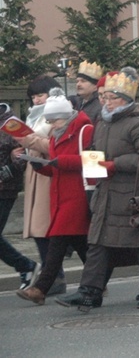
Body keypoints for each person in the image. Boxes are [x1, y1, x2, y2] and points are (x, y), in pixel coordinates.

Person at [56, 70, 139, 310]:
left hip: (133, 194)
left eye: (111, 97)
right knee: (98, 244)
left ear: (124, 100)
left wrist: (114, 165)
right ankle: (89, 292)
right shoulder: (103, 123)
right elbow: (98, 151)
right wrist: (93, 164)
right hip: (106, 192)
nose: (105, 101)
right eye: (104, 97)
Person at [15, 89, 93, 305]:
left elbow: (93, 162)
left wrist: (61, 163)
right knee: (81, 243)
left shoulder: (85, 130)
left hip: (77, 195)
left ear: (67, 116)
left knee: (58, 240)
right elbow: (55, 166)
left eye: (55, 120)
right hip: (61, 196)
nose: (52, 125)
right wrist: (39, 166)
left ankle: (40, 288)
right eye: (49, 120)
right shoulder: (58, 133)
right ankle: (97, 281)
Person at [12, 75, 67, 295]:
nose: (36, 100)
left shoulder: (59, 115)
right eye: (33, 96)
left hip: (49, 173)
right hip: (35, 173)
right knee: (39, 229)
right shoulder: (34, 117)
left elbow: (55, 146)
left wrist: (28, 142)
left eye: (40, 95)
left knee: (46, 228)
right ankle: (53, 276)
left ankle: (55, 277)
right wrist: (20, 151)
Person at [0, 103, 41, 291]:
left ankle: (26, 266)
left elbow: (21, 158)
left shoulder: (11, 124)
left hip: (4, 189)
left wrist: (3, 173)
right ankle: (25, 266)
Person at [70, 61, 104, 125]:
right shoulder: (76, 103)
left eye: (83, 81)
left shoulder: (100, 105)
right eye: (77, 81)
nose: (78, 84)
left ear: (95, 86)